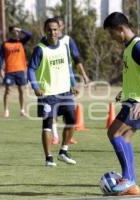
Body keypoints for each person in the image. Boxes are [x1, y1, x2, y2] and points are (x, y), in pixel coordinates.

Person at [103, 12, 140, 195]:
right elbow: (137, 75)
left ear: (120, 29)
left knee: (113, 132)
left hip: (139, 102)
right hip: (133, 99)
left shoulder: (138, 47)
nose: (112, 38)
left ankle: (128, 178)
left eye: (112, 34)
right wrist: (124, 93)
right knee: (125, 138)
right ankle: (132, 185)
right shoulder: (129, 47)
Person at [28, 18, 77, 167]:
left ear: (60, 30)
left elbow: (68, 66)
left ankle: (63, 151)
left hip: (65, 92)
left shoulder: (64, 46)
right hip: (48, 94)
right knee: (47, 125)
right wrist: (36, 87)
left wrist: (73, 83)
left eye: (55, 29)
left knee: (72, 122)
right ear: (45, 30)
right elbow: (31, 69)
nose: (53, 32)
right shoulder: (40, 49)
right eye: (49, 29)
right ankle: (49, 158)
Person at [50, 16, 90, 145]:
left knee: (68, 109)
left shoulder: (68, 40)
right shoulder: (47, 41)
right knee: (53, 108)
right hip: (53, 79)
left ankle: (68, 134)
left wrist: (83, 75)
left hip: (68, 78)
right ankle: (55, 136)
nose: (56, 29)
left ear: (62, 26)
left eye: (59, 26)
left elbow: (77, 59)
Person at [0, 25, 32, 118]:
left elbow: (30, 35)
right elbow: (1, 57)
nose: (16, 33)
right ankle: (6, 110)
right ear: (11, 33)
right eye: (14, 31)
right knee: (8, 90)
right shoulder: (5, 44)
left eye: (17, 31)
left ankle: (22, 110)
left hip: (20, 70)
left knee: (21, 90)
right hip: (9, 71)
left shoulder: (21, 42)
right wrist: (0, 69)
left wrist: (21, 29)